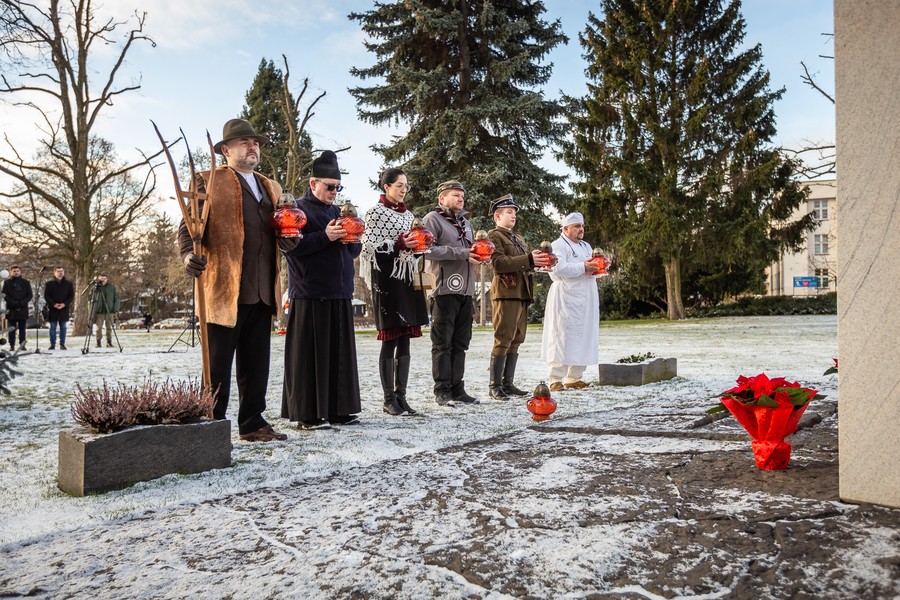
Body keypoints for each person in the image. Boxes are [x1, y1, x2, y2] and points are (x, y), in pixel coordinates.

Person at [178, 118, 287, 443]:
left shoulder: (271, 186)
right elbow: (188, 226)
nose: (252, 147)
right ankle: (211, 424)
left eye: (254, 142)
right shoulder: (206, 180)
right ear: (226, 150)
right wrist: (187, 256)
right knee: (218, 366)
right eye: (244, 143)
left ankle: (252, 423)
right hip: (223, 290)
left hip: (262, 290)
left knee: (256, 364)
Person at [280, 150, 363, 430]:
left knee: (339, 356)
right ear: (313, 183)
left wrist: (352, 237)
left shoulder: (338, 212)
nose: (334, 192)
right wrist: (325, 236)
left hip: (339, 292)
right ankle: (309, 413)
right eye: (330, 187)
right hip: (310, 292)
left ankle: (339, 409)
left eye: (338, 188)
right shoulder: (297, 211)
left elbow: (352, 251)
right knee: (310, 358)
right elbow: (292, 249)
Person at [360, 168, 429, 416]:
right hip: (387, 282)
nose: (403, 189)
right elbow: (369, 247)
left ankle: (402, 396)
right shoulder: (375, 213)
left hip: (408, 279)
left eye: (406, 185)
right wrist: (399, 244)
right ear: (386, 186)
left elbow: (413, 247)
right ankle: (388, 399)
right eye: (399, 185)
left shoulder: (409, 215)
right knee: (390, 338)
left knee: (405, 338)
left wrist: (420, 246)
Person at [422, 180, 485, 407]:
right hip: (443, 289)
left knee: (461, 343)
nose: (460, 199)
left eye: (462, 196)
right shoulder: (432, 219)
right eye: (455, 195)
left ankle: (458, 388)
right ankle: (442, 390)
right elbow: (428, 250)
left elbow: (470, 251)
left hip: (466, 290)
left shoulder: (466, 223)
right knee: (442, 343)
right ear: (442, 198)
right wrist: (462, 254)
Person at [486, 195, 550, 399]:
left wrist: (536, 263)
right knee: (503, 338)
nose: (513, 215)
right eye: (509, 212)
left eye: (514, 212)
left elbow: (522, 263)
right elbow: (498, 264)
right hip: (506, 293)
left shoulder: (517, 238)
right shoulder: (493, 236)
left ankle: (508, 383)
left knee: (517, 339)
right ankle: (495, 386)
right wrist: (528, 259)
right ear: (497, 215)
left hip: (522, 292)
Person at [541, 212, 602, 391]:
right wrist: (583, 266)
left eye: (582, 226)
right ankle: (555, 379)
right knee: (561, 336)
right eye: (576, 226)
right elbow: (557, 269)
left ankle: (574, 377)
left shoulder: (586, 246)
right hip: (565, 297)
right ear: (565, 229)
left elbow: (590, 265)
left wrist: (599, 267)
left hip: (586, 297)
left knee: (583, 334)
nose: (580, 229)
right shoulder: (558, 245)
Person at [2, 266, 32, 351]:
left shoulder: (26, 282)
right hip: (11, 309)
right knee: (11, 328)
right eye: (14, 271)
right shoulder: (7, 283)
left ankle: (22, 345)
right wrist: (13, 303)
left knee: (22, 329)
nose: (16, 272)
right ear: (11, 272)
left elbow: (29, 295)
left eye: (18, 271)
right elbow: (4, 295)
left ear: (20, 271)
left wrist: (21, 303)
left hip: (23, 309)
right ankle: (12, 345)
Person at [44, 266, 74, 350]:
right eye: (58, 271)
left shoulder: (68, 284)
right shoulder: (49, 284)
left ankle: (62, 344)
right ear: (54, 273)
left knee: (63, 327)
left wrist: (64, 304)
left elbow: (71, 296)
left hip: (64, 308)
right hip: (53, 309)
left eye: (62, 271)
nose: (60, 273)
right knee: (52, 327)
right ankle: (52, 344)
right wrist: (54, 304)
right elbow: (47, 296)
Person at [92, 274, 120, 348]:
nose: (103, 280)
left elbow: (116, 298)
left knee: (109, 328)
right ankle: (98, 342)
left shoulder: (111, 287)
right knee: (98, 328)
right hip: (99, 311)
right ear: (99, 279)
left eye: (104, 278)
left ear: (107, 279)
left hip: (109, 311)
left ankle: (109, 341)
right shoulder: (95, 288)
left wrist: (115, 309)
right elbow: (91, 298)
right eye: (101, 278)